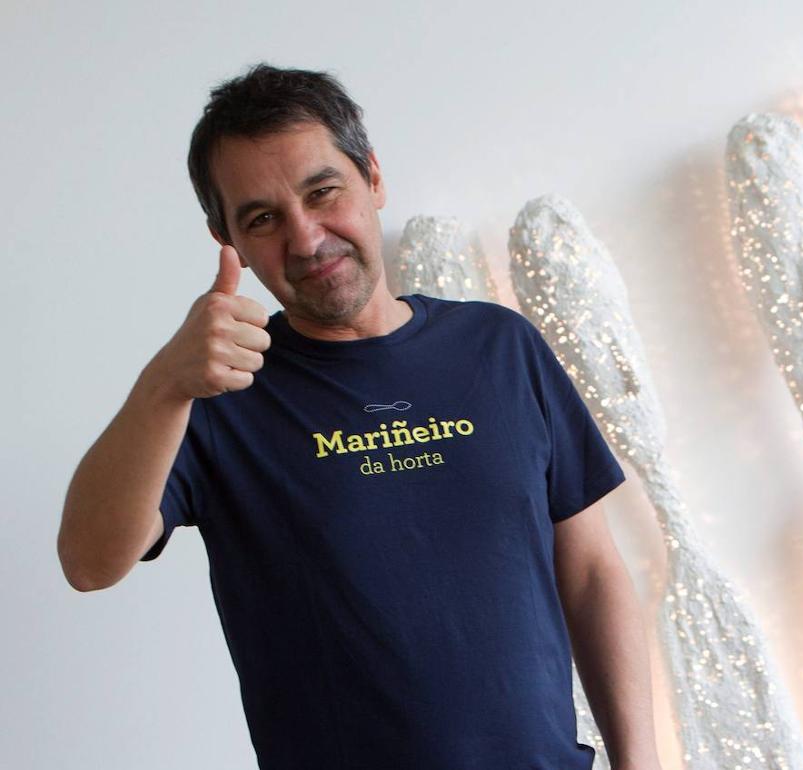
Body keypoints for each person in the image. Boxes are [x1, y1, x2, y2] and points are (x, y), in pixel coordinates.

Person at [57, 63, 663, 770]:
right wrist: (163, 384)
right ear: (228, 240)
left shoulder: (500, 347)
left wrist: (641, 764)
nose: (306, 238)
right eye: (262, 218)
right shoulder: (219, 393)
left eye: (323, 193)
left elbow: (590, 572)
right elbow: (89, 563)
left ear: (372, 177)